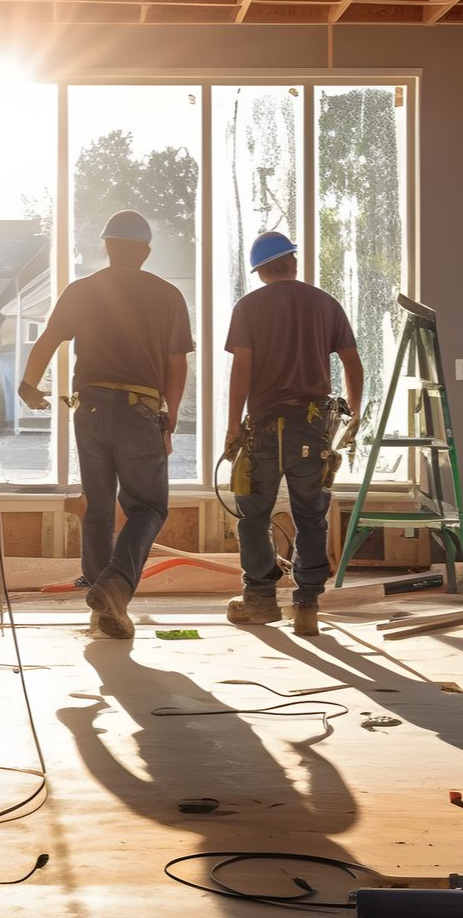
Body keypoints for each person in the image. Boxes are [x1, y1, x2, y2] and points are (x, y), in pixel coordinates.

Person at [19, 209, 194, 639]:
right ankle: (114, 588)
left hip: (91, 407)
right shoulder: (167, 295)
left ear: (107, 246)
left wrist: (28, 386)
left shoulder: (83, 290)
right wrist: (167, 419)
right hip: (140, 409)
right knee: (148, 507)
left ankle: (103, 610)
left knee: (98, 508)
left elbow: (48, 339)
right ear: (146, 251)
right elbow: (176, 367)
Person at [223, 230, 363, 637]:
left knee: (253, 516)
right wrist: (352, 415)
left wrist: (234, 426)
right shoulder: (325, 304)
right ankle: (307, 606)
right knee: (310, 517)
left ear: (262, 271)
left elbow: (242, 371)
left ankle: (260, 601)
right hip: (313, 427)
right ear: (293, 263)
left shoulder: (249, 306)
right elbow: (352, 363)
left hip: (264, 428)